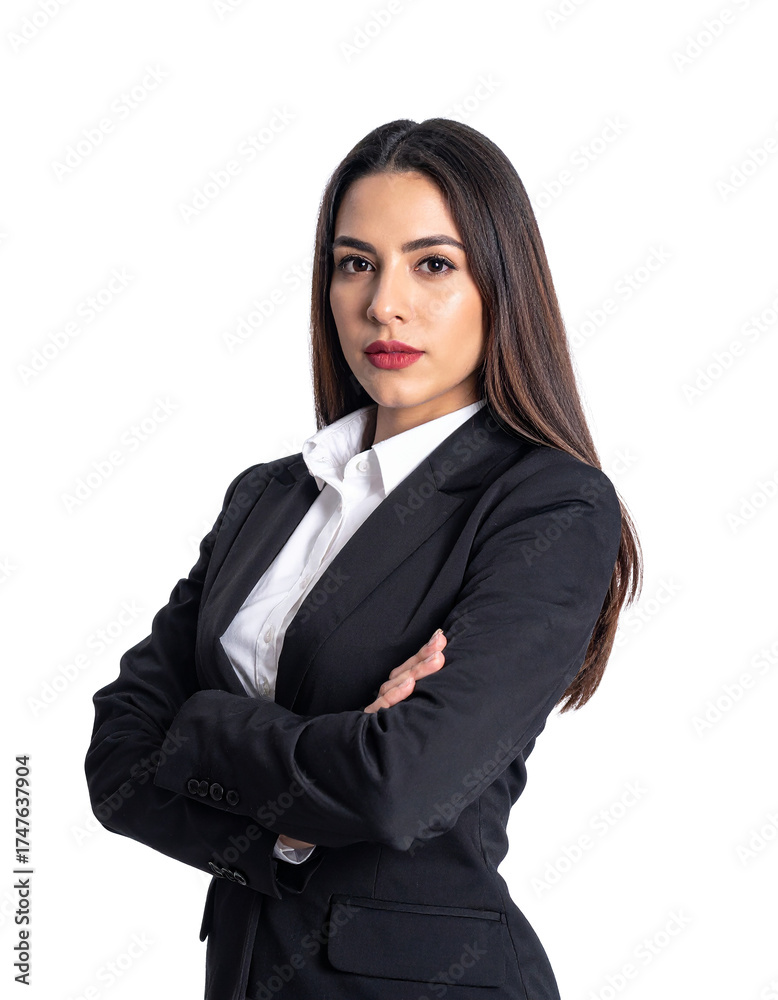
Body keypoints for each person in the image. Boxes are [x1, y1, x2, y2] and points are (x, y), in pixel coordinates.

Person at [85, 117, 642, 1000]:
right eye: (355, 263)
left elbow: (399, 786)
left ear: (501, 284)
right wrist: (293, 823)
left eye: (433, 265)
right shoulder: (268, 497)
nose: (384, 304)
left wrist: (196, 727)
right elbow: (115, 763)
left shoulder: (549, 504)